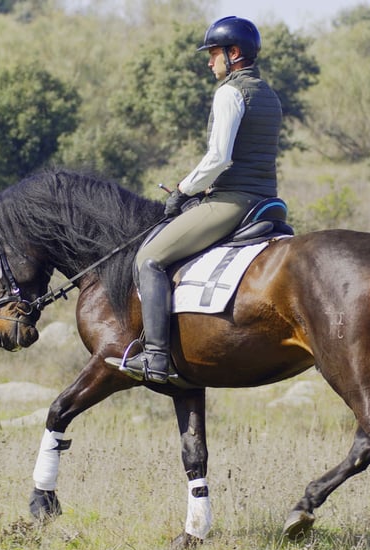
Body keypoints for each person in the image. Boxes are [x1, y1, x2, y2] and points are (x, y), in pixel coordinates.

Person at [108, 16, 283, 384]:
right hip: (265, 198)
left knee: (150, 258)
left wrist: (184, 190)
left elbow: (219, 158)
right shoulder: (268, 94)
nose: (209, 62)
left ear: (233, 54)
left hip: (232, 201)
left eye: (214, 54)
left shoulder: (230, 93)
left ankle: (155, 356)